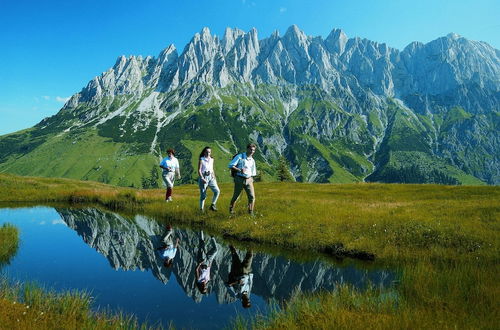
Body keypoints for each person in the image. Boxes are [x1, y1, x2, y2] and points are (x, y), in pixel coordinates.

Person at [228, 143, 257, 215]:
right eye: (250, 149)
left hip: (249, 179)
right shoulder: (240, 157)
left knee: (252, 197)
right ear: (247, 149)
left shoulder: (252, 160)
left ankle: (251, 212)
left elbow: (253, 172)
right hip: (239, 179)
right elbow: (230, 165)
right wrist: (239, 170)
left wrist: (251, 179)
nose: (252, 151)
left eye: (253, 150)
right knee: (236, 196)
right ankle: (231, 210)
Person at [197, 146, 220, 212]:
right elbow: (199, 170)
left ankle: (213, 205)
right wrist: (202, 178)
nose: (208, 153)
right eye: (206, 152)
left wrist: (214, 176)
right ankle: (201, 209)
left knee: (217, 191)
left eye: (209, 152)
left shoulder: (212, 159)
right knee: (203, 195)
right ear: (204, 152)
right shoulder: (201, 159)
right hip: (204, 177)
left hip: (211, 177)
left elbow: (212, 168)